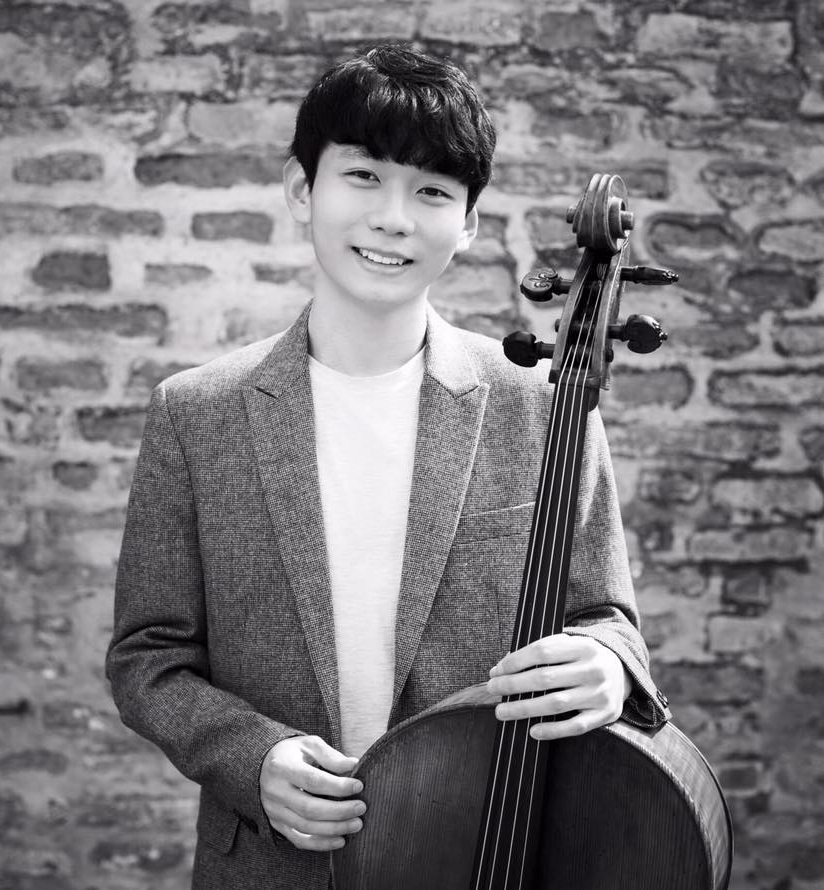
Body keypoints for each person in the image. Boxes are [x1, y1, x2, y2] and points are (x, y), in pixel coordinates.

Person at [106, 43, 670, 890]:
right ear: (303, 190)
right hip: (274, 867)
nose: (394, 218)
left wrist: (606, 664)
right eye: (364, 176)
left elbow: (606, 617)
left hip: (485, 849)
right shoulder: (195, 413)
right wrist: (252, 759)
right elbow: (148, 658)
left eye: (432, 192)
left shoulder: (542, 401)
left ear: (468, 223)